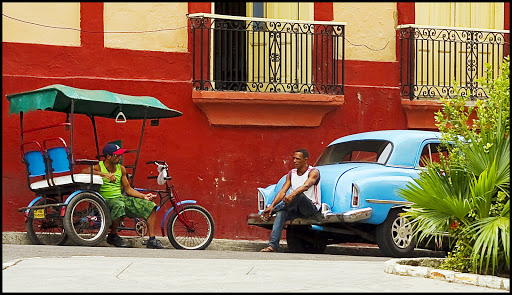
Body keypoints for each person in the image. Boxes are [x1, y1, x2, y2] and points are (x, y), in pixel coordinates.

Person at [83, 143, 167, 249]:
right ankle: (113, 235)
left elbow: (128, 189)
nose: (120, 157)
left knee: (150, 206)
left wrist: (143, 196)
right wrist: (105, 175)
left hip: (120, 198)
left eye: (120, 155)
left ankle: (152, 240)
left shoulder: (121, 169)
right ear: (109, 156)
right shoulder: (99, 167)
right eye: (117, 155)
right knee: (119, 205)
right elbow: (84, 171)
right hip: (106, 200)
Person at [260, 148, 322, 252]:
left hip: (310, 209)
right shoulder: (291, 173)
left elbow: (306, 186)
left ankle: (272, 211)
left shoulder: (313, 172)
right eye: (293, 158)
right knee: (281, 213)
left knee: (298, 195)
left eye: (297, 159)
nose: (294, 161)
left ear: (305, 160)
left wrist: (291, 194)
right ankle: (272, 246)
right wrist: (271, 205)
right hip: (295, 208)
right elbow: (282, 192)